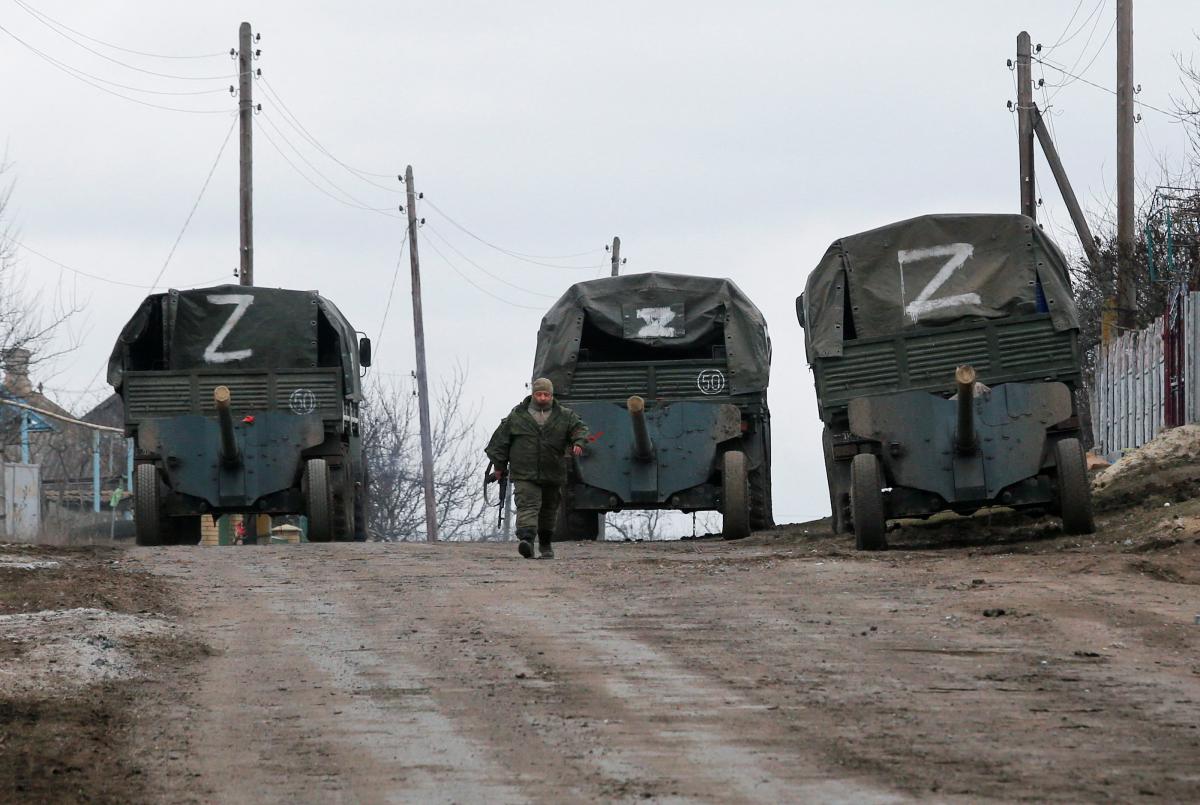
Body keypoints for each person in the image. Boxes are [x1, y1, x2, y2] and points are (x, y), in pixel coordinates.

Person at [485, 377, 588, 559]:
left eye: (546, 395)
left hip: (553, 471)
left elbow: (579, 429)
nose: (542, 398)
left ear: (551, 395)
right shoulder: (518, 416)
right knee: (527, 504)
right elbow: (500, 443)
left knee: (549, 508)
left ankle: (546, 545)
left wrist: (578, 442)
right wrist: (499, 467)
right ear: (533, 394)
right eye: (539, 394)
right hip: (524, 472)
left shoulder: (564, 416)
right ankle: (527, 540)